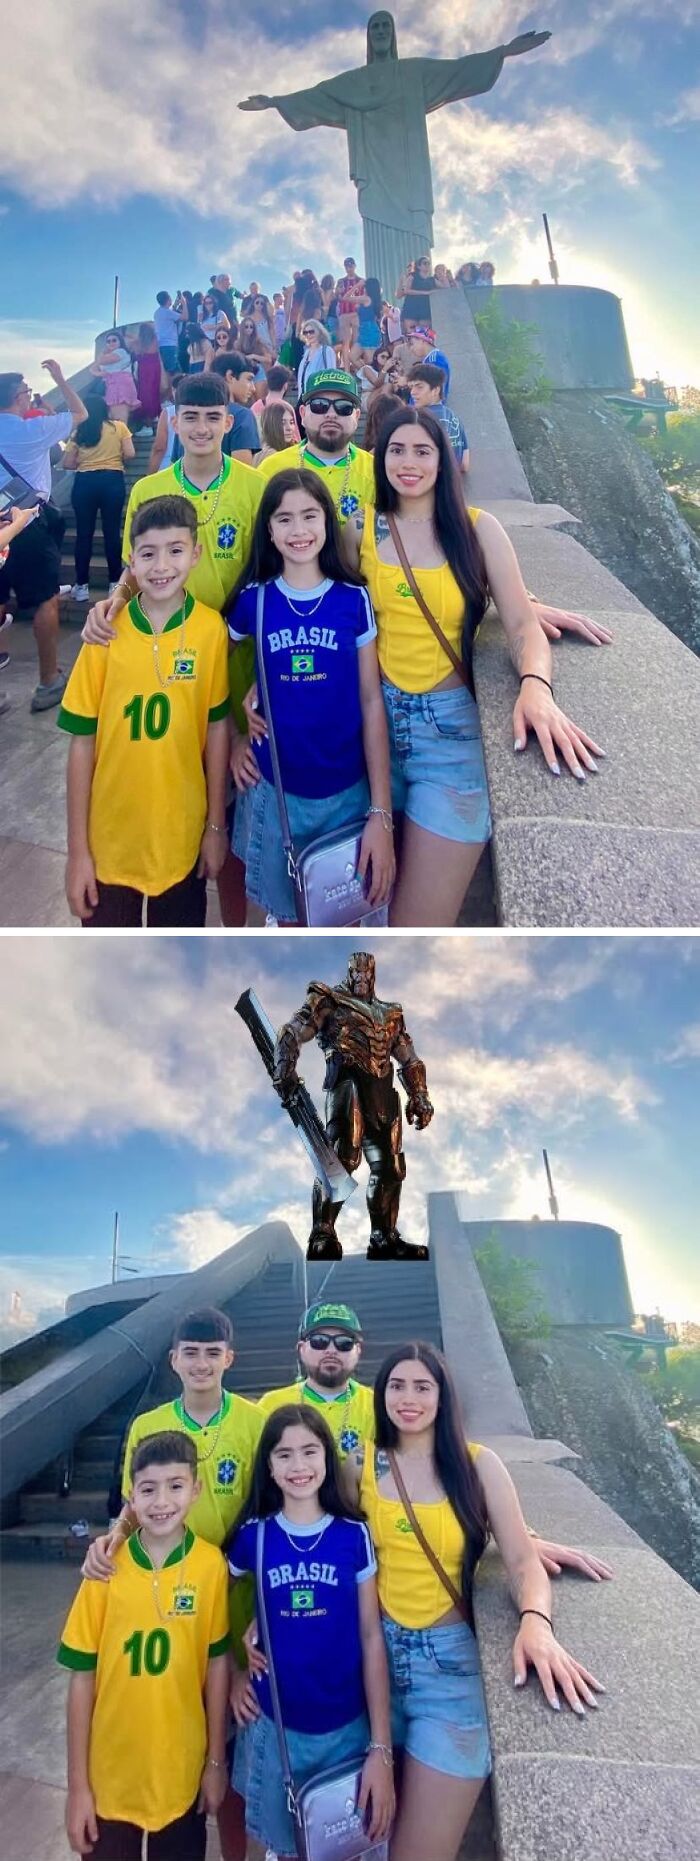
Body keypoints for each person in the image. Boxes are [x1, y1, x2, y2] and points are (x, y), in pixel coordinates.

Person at [333, 1343, 605, 1861]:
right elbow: (333, 1543)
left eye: (422, 1387)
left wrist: (535, 1621)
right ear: (381, 1394)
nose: (407, 1398)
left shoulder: (480, 1466)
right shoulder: (362, 1465)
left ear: (443, 1396)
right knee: (362, 1842)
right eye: (396, 1386)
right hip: (373, 1667)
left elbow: (523, 1564)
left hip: (450, 1674)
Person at [343, 408, 604, 926]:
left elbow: (524, 629)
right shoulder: (359, 530)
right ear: (381, 457)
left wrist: (535, 686)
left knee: (416, 926)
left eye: (423, 451)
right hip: (371, 730)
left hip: (450, 738)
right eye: (397, 450)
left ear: (445, 461)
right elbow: (330, 606)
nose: (409, 462)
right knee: (354, 910)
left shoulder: (478, 530)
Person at [80, 1306, 264, 1861]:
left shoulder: (254, 1424)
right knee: (166, 1720)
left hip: (235, 1607)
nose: (202, 1363)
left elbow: (270, 1506)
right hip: (162, 1602)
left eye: (213, 1352)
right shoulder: (148, 1425)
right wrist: (110, 1538)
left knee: (230, 1749)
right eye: (191, 1352)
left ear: (229, 1358)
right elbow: (130, 1508)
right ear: (174, 1360)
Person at [227, 1405, 395, 1861]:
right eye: (284, 1455)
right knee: (273, 1844)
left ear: (327, 1457)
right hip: (274, 1727)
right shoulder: (254, 1537)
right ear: (269, 1466)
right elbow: (206, 1592)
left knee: (348, 1846)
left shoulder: (353, 1535)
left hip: (347, 1731)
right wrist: (234, 1668)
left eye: (309, 1451)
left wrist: (380, 1746)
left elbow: (370, 1637)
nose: (298, 1466)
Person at [227, 470, 395, 925]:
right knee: (271, 915)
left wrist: (380, 811)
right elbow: (207, 661)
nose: (298, 531)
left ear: (327, 521)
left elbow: (370, 701)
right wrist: (234, 735)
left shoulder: (353, 599)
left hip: (347, 795)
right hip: (274, 791)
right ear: (269, 529)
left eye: (309, 516)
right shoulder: (254, 601)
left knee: (347, 920)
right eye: (284, 519)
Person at [58, 494, 230, 928]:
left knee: (178, 960)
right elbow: (81, 745)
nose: (161, 566)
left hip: (182, 836)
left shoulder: (210, 631)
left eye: (175, 551)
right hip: (110, 841)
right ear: (131, 561)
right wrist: (78, 852)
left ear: (195, 554)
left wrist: (215, 826)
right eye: (148, 554)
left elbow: (216, 731)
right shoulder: (104, 634)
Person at [59, 1430, 230, 1861]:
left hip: (181, 1771)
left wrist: (215, 1762)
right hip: (110, 1775)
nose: (161, 1502)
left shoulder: (210, 1566)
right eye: (148, 1489)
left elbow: (216, 1667)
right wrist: (78, 1787)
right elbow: (81, 1681)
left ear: (196, 1490)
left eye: (175, 1486)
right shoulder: (104, 1570)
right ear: (130, 1498)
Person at [0, 360, 88, 711]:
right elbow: (80, 413)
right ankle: (49, 680)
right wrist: (61, 380)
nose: (29, 397)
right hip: (29, 522)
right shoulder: (31, 430)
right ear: (17, 398)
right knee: (45, 599)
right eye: (25, 392)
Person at [256, 369, 375, 524]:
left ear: (357, 416)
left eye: (344, 407)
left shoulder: (375, 471)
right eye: (320, 405)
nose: (331, 414)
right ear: (303, 414)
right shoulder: (271, 469)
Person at [257, 1301, 377, 1453]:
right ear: (301, 1349)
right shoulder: (271, 1405)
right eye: (319, 1341)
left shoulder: (377, 1406)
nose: (331, 1351)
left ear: (358, 1350)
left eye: (344, 1343)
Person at [61, 397, 135, 600]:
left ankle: (82, 586)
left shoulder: (80, 432)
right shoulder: (119, 428)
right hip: (112, 481)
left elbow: (67, 463)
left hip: (84, 483)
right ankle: (114, 583)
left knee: (84, 534)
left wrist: (85, 462)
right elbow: (130, 453)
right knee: (112, 533)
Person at [408, 364, 469, 472]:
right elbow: (464, 464)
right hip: (451, 485)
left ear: (436, 390)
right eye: (411, 387)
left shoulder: (418, 419)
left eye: (419, 387)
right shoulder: (454, 418)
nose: (412, 392)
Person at [208, 353, 261, 464]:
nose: (253, 388)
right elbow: (242, 474)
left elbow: (174, 468)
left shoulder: (188, 415)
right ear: (230, 376)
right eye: (249, 379)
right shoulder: (242, 416)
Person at [90, 331, 139, 422]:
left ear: (120, 341)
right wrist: (101, 374)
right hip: (112, 385)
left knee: (120, 419)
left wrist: (103, 352)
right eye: (108, 341)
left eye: (114, 340)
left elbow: (101, 361)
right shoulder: (110, 355)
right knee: (114, 418)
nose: (111, 343)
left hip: (120, 385)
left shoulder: (121, 351)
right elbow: (92, 369)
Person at [148, 375, 184, 473]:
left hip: (168, 467)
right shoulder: (202, 411)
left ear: (174, 391)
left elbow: (159, 447)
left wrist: (150, 475)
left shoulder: (168, 412)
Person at [132, 322, 164, 428]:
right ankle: (154, 418)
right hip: (154, 367)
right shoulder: (155, 340)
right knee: (154, 391)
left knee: (143, 392)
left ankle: (146, 422)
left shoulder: (138, 342)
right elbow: (158, 354)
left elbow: (135, 352)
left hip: (143, 368)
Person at [296, 317, 337, 395]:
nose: (308, 335)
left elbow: (331, 374)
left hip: (321, 396)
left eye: (311, 331)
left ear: (319, 332)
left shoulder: (327, 351)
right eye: (305, 332)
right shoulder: (306, 353)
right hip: (306, 398)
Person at [408, 325, 452, 397]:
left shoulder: (435, 360)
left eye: (412, 344)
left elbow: (434, 388)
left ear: (422, 340)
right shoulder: (431, 358)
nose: (411, 348)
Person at [396, 255, 437, 324]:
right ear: (418, 266)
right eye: (425, 263)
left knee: (423, 333)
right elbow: (400, 294)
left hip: (425, 310)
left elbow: (446, 287)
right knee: (413, 333)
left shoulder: (431, 280)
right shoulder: (412, 277)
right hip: (411, 309)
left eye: (428, 263)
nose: (427, 265)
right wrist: (426, 293)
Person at [154, 291, 184, 375]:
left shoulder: (158, 312)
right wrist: (184, 304)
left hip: (162, 344)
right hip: (170, 345)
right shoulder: (167, 312)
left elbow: (172, 312)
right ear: (168, 299)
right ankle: (180, 387)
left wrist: (176, 303)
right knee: (175, 371)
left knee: (167, 371)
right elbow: (185, 317)